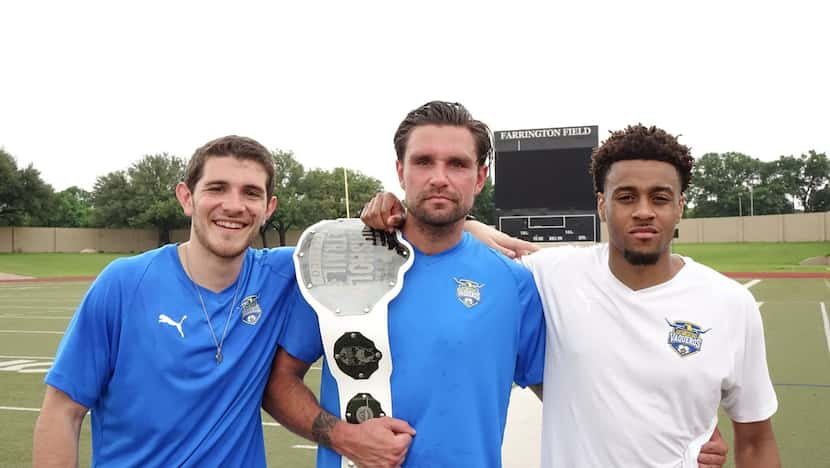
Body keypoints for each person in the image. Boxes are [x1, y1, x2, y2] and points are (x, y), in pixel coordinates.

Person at [363, 124, 777, 467]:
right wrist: (396, 208)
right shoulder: (552, 275)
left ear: (681, 205)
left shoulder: (730, 304)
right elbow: (451, 237)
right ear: (601, 204)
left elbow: (756, 442)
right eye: (626, 196)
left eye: (661, 197)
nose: (644, 211)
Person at [263, 101, 548, 468]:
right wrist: (344, 437)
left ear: (480, 177)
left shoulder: (514, 284)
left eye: (457, 164)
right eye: (423, 161)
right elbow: (278, 383)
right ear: (401, 171)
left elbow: (558, 395)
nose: (439, 177)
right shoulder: (342, 265)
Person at [33, 135, 317, 466]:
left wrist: (385, 208)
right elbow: (62, 411)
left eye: (251, 193)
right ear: (187, 198)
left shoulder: (284, 273)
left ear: (268, 208)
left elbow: (353, 242)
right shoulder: (124, 284)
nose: (234, 205)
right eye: (217, 188)